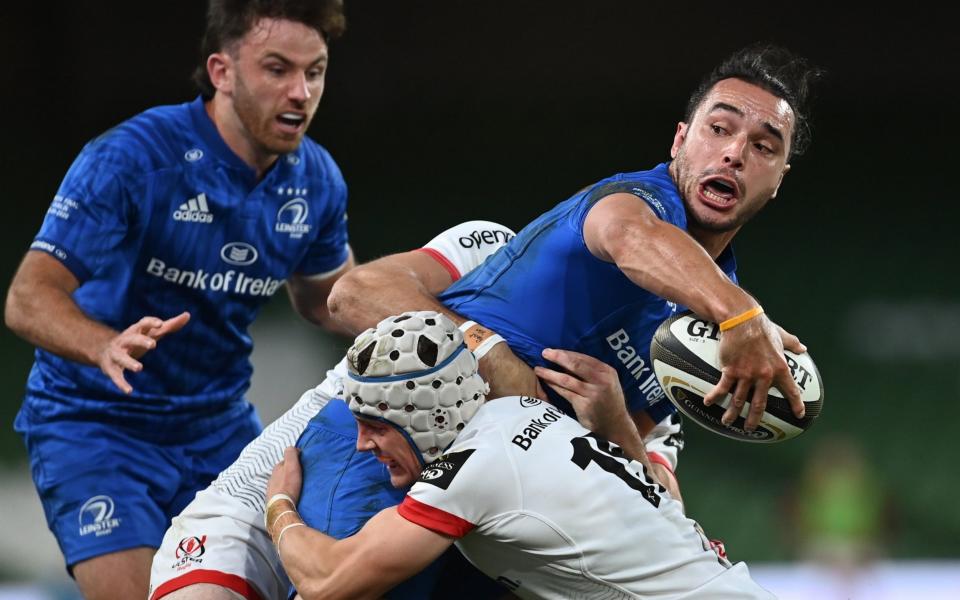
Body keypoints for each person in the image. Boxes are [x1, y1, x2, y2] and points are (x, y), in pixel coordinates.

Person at [3, 2, 351, 598]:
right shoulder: (133, 158)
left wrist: (427, 323)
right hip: (95, 425)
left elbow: (327, 300)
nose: (299, 92)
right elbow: (27, 296)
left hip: (217, 426)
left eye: (314, 72)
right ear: (221, 71)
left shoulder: (316, 180)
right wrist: (104, 344)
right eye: (276, 69)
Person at [148, 221, 684, 599]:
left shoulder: (654, 375)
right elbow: (351, 295)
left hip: (443, 523)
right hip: (277, 489)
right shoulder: (498, 254)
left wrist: (615, 423)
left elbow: (663, 521)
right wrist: (487, 348)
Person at [328, 43, 824, 444]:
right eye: (718, 129)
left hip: (486, 505)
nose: (735, 153)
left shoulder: (703, 326)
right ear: (679, 141)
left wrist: (613, 427)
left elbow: (620, 463)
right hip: (378, 452)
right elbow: (630, 236)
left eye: (763, 147)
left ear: (779, 179)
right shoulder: (639, 201)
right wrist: (492, 356)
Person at [265, 311, 775, 599]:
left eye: (374, 425)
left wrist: (279, 506)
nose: (361, 445)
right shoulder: (527, 419)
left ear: (425, 416)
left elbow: (330, 583)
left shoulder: (477, 464)